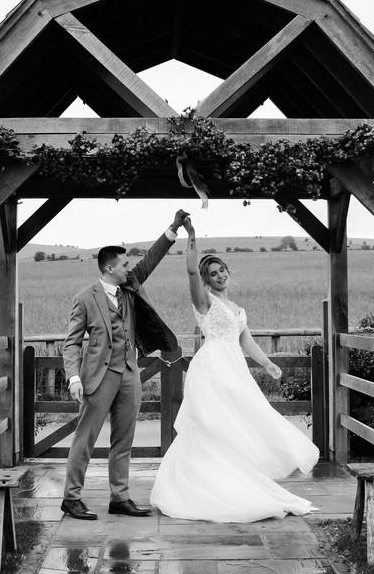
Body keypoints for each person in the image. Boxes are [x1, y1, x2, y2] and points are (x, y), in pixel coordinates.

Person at [149, 217, 320, 522]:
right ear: (206, 279)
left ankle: (235, 479)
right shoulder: (204, 302)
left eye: (222, 270)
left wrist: (267, 363)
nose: (219, 276)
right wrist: (192, 236)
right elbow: (190, 270)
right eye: (212, 274)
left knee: (239, 425)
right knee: (212, 426)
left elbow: (246, 341)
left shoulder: (236, 307)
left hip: (234, 368)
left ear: (228, 272)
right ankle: (203, 485)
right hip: (212, 369)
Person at [60, 209, 189, 521]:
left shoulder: (130, 287)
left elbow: (150, 261)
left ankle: (120, 497)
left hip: (129, 374)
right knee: (85, 439)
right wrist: (74, 377)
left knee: (124, 440)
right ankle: (71, 498)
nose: (129, 268)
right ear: (109, 268)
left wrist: (173, 228)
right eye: (124, 264)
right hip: (97, 377)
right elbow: (71, 342)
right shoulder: (85, 298)